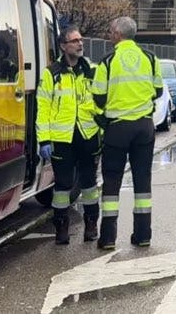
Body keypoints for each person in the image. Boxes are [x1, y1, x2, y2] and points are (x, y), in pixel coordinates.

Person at [91, 16, 163, 249]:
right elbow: (159, 91)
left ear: (118, 35)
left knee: (111, 181)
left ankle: (108, 237)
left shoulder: (108, 61)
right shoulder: (150, 58)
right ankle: (143, 235)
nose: (110, 35)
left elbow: (98, 96)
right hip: (144, 127)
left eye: (111, 32)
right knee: (143, 181)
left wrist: (111, 108)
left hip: (117, 128)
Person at [37, 26, 101, 244]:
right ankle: (61, 227)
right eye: (74, 41)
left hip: (87, 135)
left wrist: (102, 129)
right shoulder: (51, 73)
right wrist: (43, 139)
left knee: (90, 184)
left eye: (81, 40)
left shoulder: (92, 70)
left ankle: (91, 224)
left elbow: (101, 102)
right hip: (61, 139)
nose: (80, 44)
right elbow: (43, 108)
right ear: (63, 46)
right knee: (62, 186)